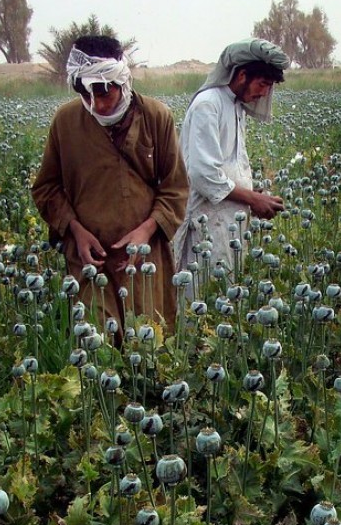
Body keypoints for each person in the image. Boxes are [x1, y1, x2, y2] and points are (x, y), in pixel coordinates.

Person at [32, 36, 188, 335]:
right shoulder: (66, 121)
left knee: (149, 345)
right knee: (98, 348)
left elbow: (175, 188)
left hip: (144, 258)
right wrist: (75, 231)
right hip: (90, 259)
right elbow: (46, 188)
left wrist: (146, 230)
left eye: (104, 93)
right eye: (86, 94)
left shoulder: (156, 117)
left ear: (122, 81)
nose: (96, 104)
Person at [174, 38, 290, 274]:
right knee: (203, 294)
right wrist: (252, 199)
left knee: (226, 289)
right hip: (206, 220)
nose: (265, 92)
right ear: (241, 75)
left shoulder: (236, 106)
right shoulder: (208, 105)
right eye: (262, 84)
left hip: (228, 217)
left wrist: (253, 197)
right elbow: (204, 175)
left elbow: (232, 165)